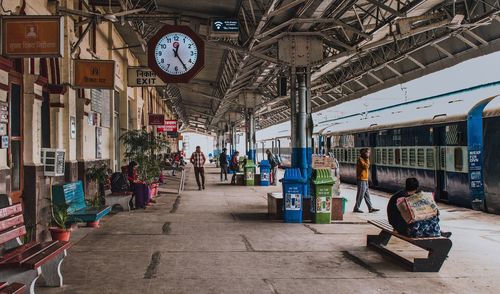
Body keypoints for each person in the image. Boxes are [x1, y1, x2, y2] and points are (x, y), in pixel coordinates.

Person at [387, 178, 452, 238]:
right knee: (429, 218)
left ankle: (438, 232)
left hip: (395, 223)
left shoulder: (400, 194)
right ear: (417, 187)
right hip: (401, 227)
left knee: (423, 218)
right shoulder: (406, 198)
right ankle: (437, 232)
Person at [353, 148, 379, 213]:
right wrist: (367, 158)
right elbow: (366, 166)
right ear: (363, 153)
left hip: (365, 179)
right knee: (360, 194)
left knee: (367, 194)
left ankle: (370, 208)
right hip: (361, 179)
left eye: (368, 153)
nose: (368, 154)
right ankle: (356, 208)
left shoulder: (364, 159)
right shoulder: (360, 159)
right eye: (367, 153)